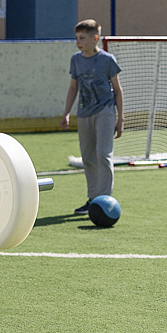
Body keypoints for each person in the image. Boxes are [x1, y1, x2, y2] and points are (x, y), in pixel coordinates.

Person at [60, 19, 124, 215]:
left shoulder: (107, 60)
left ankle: (105, 200)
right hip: (84, 113)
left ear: (95, 38)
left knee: (103, 155)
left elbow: (117, 90)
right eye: (77, 38)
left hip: (105, 111)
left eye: (83, 38)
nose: (78, 42)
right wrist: (66, 113)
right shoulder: (76, 60)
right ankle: (93, 199)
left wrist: (120, 118)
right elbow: (73, 88)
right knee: (88, 157)